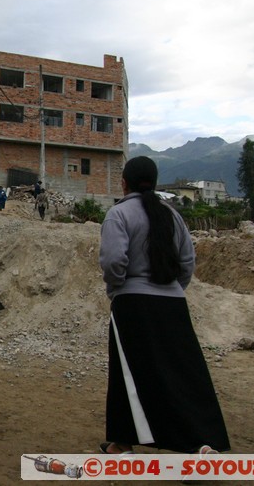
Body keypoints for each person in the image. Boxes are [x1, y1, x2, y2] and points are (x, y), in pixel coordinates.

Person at [98, 156, 229, 455]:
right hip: (173, 305)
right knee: (183, 374)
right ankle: (202, 443)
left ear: (124, 182)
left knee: (128, 373)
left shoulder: (118, 215)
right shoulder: (173, 216)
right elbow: (187, 263)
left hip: (132, 304)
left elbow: (113, 262)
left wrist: (120, 287)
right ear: (155, 183)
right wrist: (172, 290)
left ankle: (122, 443)